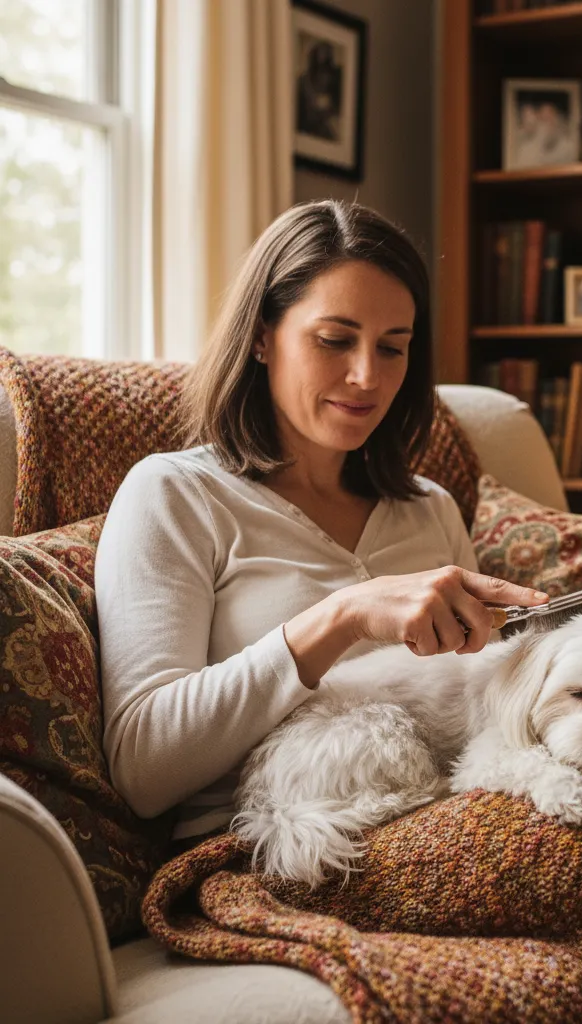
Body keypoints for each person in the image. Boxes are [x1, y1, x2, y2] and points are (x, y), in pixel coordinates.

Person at [95, 200, 549, 847]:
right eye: (334, 340)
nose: (367, 376)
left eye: (393, 348)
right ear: (260, 336)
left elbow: (480, 706)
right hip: (282, 842)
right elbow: (143, 766)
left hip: (453, 814)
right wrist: (343, 617)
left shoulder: (429, 508)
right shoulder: (175, 494)